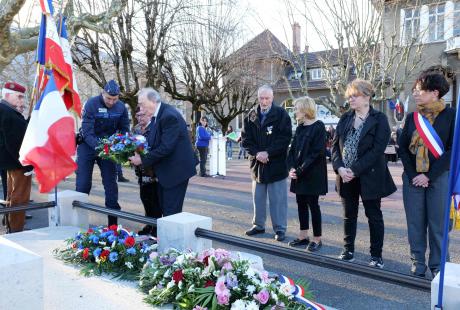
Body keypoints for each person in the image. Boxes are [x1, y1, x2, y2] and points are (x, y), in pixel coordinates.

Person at [332, 79, 396, 268]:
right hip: (345, 175)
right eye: (349, 96)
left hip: (369, 175)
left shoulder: (379, 119)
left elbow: (377, 150)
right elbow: (334, 146)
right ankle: (348, 250)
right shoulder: (345, 118)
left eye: (355, 95)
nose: (350, 99)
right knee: (348, 214)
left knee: (373, 215)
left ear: (367, 96)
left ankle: (376, 256)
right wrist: (340, 168)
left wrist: (355, 169)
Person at [398, 70, 455, 278]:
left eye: (419, 90)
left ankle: (439, 265)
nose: (415, 94)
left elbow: (453, 150)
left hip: (439, 177)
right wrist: (413, 174)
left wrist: (428, 176)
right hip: (412, 178)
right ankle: (417, 262)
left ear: (435, 92)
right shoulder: (413, 117)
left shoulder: (452, 115)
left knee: (438, 224)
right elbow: (402, 148)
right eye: (415, 90)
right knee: (415, 222)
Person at [129, 88, 196, 216]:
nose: (140, 108)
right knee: (163, 210)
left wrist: (142, 159)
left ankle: (172, 237)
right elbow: (154, 142)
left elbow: (166, 147)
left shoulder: (168, 116)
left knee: (171, 213)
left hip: (175, 172)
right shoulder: (158, 115)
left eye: (142, 104)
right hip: (165, 171)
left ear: (153, 101)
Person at [76, 80, 129, 226]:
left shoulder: (121, 107)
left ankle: (113, 225)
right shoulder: (91, 104)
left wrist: (119, 145)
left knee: (111, 185)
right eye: (108, 98)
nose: (111, 102)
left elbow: (124, 129)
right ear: (103, 93)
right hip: (88, 145)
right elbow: (87, 132)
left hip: (109, 147)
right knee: (83, 184)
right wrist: (101, 147)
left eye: (115, 99)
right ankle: (78, 222)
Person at [242, 85, 292, 241]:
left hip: (276, 164)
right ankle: (258, 225)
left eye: (267, 98)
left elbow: (285, 138)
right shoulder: (250, 116)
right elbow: (246, 140)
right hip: (257, 166)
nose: (264, 102)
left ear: (272, 98)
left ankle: (280, 229)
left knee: (278, 200)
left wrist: (268, 152)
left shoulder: (282, 114)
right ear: (258, 98)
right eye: (261, 98)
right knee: (258, 198)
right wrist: (257, 153)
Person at [287, 96, 328, 252]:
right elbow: (292, 151)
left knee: (313, 205)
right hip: (298, 174)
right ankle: (303, 236)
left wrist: (300, 170)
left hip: (312, 174)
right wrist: (291, 168)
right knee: (301, 205)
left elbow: (317, 153)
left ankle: (317, 239)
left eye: (296, 109)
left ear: (305, 109)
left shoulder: (318, 126)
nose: (295, 112)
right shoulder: (300, 127)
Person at [0, 82, 32, 233]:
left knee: (12, 196)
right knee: (20, 198)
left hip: (10, 162)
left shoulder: (6, 110)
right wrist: (27, 165)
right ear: (7, 95)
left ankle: (10, 226)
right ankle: (17, 231)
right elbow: (14, 143)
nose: (22, 100)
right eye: (18, 96)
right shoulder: (7, 112)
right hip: (17, 163)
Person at [133, 109, 161, 236]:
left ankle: (156, 227)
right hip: (141, 170)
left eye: (142, 115)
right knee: (144, 198)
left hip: (153, 171)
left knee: (155, 200)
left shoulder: (155, 128)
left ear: (149, 115)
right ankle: (148, 224)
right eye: (137, 115)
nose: (140, 117)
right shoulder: (136, 129)